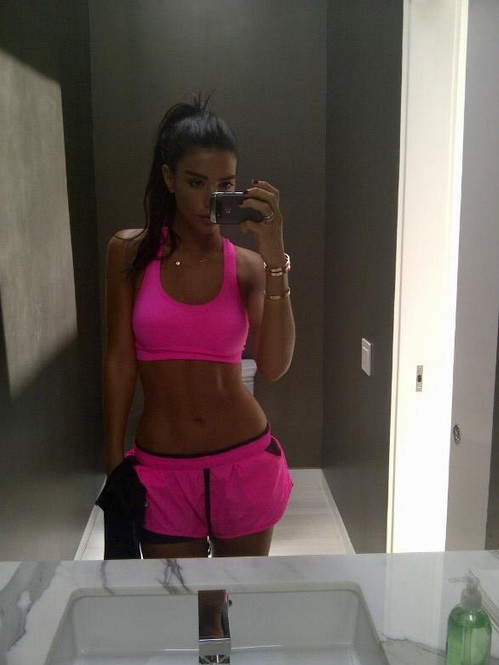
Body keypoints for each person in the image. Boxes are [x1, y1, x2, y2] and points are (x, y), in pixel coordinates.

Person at [102, 97, 295, 559]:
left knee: (236, 597)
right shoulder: (128, 253)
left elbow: (273, 366)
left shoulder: (249, 267)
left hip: (242, 460)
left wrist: (275, 259)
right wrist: (112, 459)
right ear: (169, 179)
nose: (210, 199)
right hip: (161, 468)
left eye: (224, 184)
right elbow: (120, 359)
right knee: (178, 599)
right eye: (195, 182)